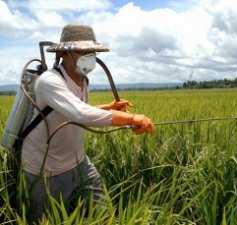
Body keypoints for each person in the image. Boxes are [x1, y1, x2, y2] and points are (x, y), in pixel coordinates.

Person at [21, 24, 154, 222]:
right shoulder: (49, 82)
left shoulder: (82, 80)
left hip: (79, 162)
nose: (89, 56)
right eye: (83, 51)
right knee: (47, 220)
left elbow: (75, 110)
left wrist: (109, 108)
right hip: (46, 169)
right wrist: (131, 119)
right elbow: (80, 113)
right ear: (64, 53)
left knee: (103, 213)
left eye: (91, 51)